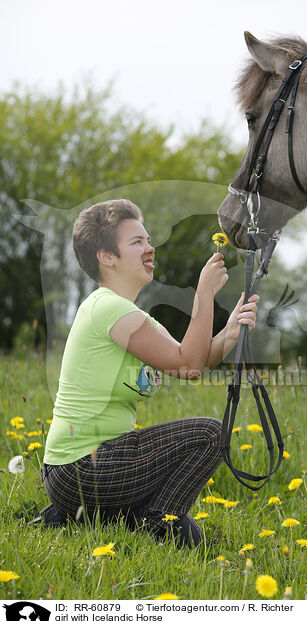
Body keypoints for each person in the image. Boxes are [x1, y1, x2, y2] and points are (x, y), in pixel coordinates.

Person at [41, 198, 259, 547]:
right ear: (106, 256)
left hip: (92, 468)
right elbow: (188, 365)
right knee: (209, 434)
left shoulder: (132, 316)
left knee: (194, 539)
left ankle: (90, 517)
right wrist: (203, 296)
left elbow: (194, 360)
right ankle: (154, 524)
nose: (150, 247)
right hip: (82, 467)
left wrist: (231, 331)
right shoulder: (107, 308)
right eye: (136, 242)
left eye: (148, 239)